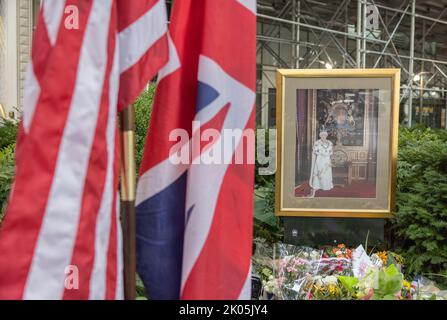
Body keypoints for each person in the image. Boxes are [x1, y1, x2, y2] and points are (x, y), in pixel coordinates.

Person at [308, 130, 334, 197]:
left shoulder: (330, 143)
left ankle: (326, 186)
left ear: (326, 135)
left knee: (326, 172)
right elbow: (315, 150)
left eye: (325, 135)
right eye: (322, 135)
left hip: (327, 160)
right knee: (319, 172)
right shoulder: (317, 142)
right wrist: (322, 153)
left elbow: (331, 152)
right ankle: (318, 185)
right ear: (320, 135)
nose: (323, 136)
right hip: (320, 159)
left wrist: (326, 154)